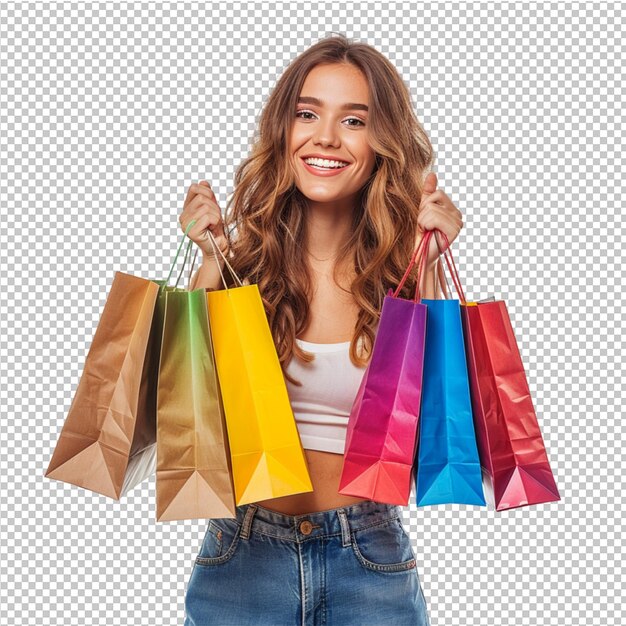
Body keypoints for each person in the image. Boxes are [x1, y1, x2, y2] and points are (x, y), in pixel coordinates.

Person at [179, 34, 463, 626]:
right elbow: (181, 404)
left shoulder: (402, 271)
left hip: (370, 559)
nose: (326, 137)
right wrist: (207, 261)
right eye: (307, 113)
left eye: (353, 120)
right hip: (241, 558)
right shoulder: (239, 265)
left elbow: (439, 425)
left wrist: (431, 266)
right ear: (284, 130)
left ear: (381, 143)